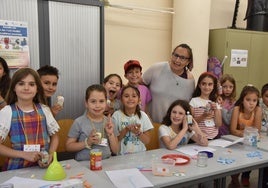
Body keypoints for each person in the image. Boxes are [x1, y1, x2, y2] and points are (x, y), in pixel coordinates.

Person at [0, 68, 60, 171]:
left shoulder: (45, 110)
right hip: (17, 169)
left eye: (31, 84)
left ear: (37, 88)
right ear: (14, 87)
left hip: (42, 166)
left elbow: (55, 137)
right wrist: (23, 154)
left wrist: (50, 155)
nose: (26, 88)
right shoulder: (7, 111)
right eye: (21, 84)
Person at [142, 43, 195, 123]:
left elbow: (188, 107)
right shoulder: (156, 68)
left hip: (173, 128)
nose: (177, 60)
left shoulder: (190, 81)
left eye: (182, 58)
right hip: (151, 124)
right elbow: (138, 85)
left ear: (188, 61)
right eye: (175, 55)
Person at [65, 84, 119, 161]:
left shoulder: (111, 122)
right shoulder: (79, 122)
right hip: (84, 164)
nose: (97, 105)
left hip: (106, 163)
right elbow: (68, 147)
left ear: (106, 103)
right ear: (86, 103)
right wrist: (87, 142)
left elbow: (116, 150)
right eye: (93, 101)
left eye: (101, 101)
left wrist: (110, 134)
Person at [229, 85, 262, 187]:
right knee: (235, 162)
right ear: (242, 99)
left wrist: (244, 131)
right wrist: (248, 132)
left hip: (250, 143)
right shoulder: (237, 109)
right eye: (248, 100)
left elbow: (257, 130)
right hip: (236, 141)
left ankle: (242, 178)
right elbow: (233, 130)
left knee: (249, 159)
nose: (251, 103)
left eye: (254, 100)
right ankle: (234, 181)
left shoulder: (257, 110)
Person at [112, 85, 153, 155]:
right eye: (126, 96)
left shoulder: (143, 116)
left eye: (134, 96)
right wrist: (126, 130)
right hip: (121, 157)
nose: (130, 99)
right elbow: (115, 140)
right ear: (121, 100)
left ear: (139, 100)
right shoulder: (116, 115)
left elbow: (147, 141)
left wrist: (138, 132)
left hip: (140, 156)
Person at [189, 72, 222, 140]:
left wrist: (216, 110)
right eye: (204, 84)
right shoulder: (193, 101)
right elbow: (190, 123)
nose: (207, 87)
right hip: (198, 138)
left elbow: (218, 124)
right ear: (199, 85)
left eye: (210, 84)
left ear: (213, 86)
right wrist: (203, 116)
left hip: (213, 137)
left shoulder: (216, 102)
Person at [259, 83, 268, 188]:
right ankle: (245, 176)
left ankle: (264, 182)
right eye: (267, 96)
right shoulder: (258, 105)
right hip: (258, 137)